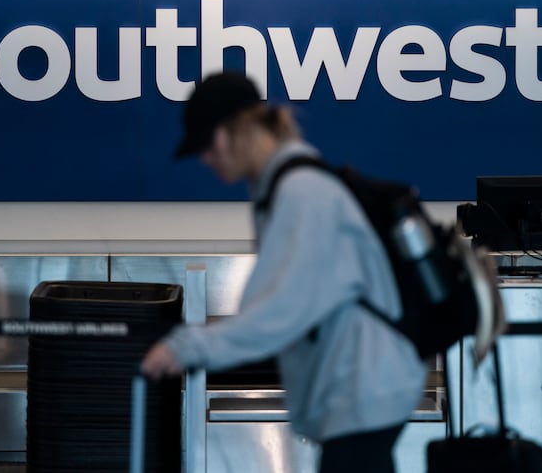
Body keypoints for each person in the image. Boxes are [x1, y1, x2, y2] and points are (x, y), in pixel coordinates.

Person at [141, 70, 428, 472]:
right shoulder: (283, 185)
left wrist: (187, 347)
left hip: (363, 390)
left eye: (207, 145)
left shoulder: (301, 193)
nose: (206, 159)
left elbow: (277, 311)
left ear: (232, 133)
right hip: (360, 388)